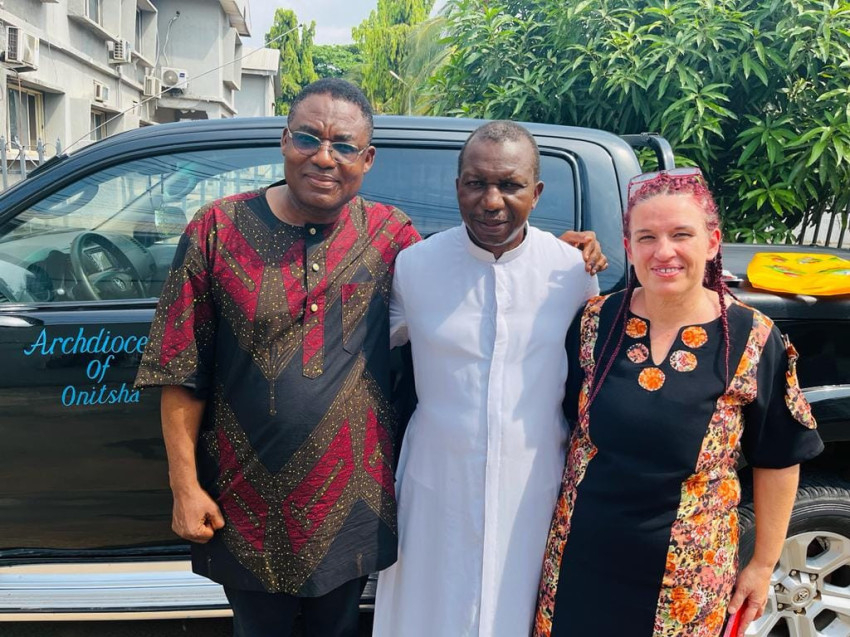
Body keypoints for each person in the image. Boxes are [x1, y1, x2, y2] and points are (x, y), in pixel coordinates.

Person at [134, 79, 420, 637]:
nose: (324, 157)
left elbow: (468, 278)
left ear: (367, 160)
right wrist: (185, 487)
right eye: (308, 138)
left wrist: (554, 249)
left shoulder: (392, 235)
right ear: (285, 140)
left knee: (340, 629)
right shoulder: (216, 229)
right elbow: (181, 370)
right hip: (243, 502)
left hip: (350, 502)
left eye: (343, 145)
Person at [533, 168, 824, 637]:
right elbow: (561, 426)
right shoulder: (594, 322)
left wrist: (762, 564)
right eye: (646, 237)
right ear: (628, 248)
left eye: (681, 234)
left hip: (686, 585)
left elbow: (780, 456)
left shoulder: (752, 338)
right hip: (579, 565)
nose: (663, 251)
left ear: (712, 242)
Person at [372, 121, 601, 637]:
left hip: (534, 482)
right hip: (436, 481)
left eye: (510, 185)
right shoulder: (414, 267)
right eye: (476, 183)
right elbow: (361, 351)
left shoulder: (569, 270)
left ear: (536, 193)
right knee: (428, 613)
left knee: (521, 609)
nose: (491, 201)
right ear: (458, 186)